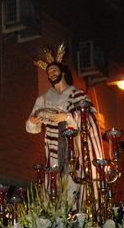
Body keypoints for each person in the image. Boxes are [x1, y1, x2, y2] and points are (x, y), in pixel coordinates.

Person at [26, 43, 104, 200]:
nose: (51, 74)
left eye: (54, 70)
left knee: (73, 189)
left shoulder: (76, 94)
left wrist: (67, 117)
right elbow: (30, 126)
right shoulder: (43, 98)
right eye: (49, 72)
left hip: (72, 149)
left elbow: (89, 116)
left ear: (62, 71)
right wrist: (33, 120)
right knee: (52, 189)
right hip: (52, 149)